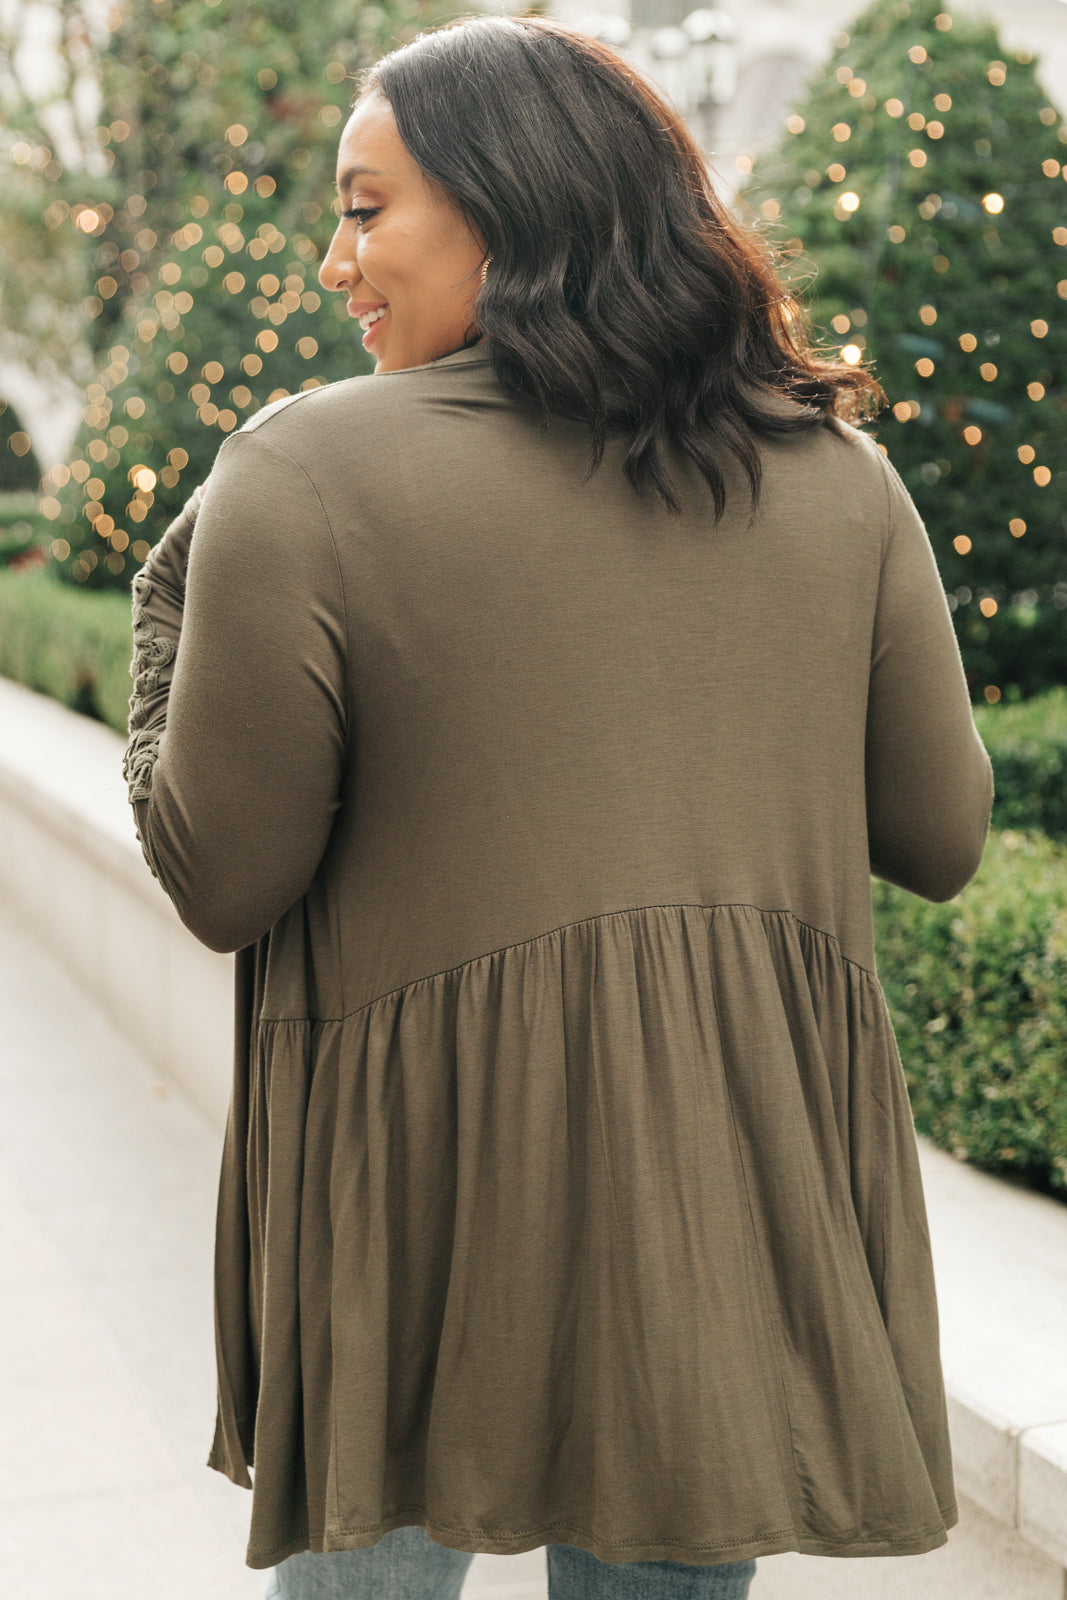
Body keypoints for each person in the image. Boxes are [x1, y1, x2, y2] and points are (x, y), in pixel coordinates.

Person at [122, 13, 994, 1600]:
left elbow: (220, 875)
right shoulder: (836, 473)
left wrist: (166, 617)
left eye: (366, 206)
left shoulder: (301, 472)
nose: (337, 260)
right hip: (719, 1191)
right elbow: (941, 837)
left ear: (507, 204)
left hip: (415, 1217)